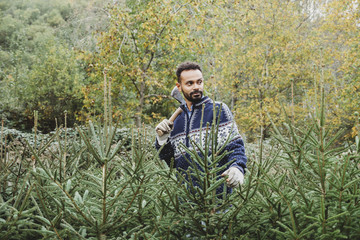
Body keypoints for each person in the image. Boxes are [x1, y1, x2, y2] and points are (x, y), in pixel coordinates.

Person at [155, 61, 247, 194]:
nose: (196, 87)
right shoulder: (176, 120)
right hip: (185, 203)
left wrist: (237, 168)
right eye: (190, 83)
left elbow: (236, 147)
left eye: (199, 82)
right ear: (179, 87)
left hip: (217, 200)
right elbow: (171, 163)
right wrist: (162, 139)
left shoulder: (218, 110)